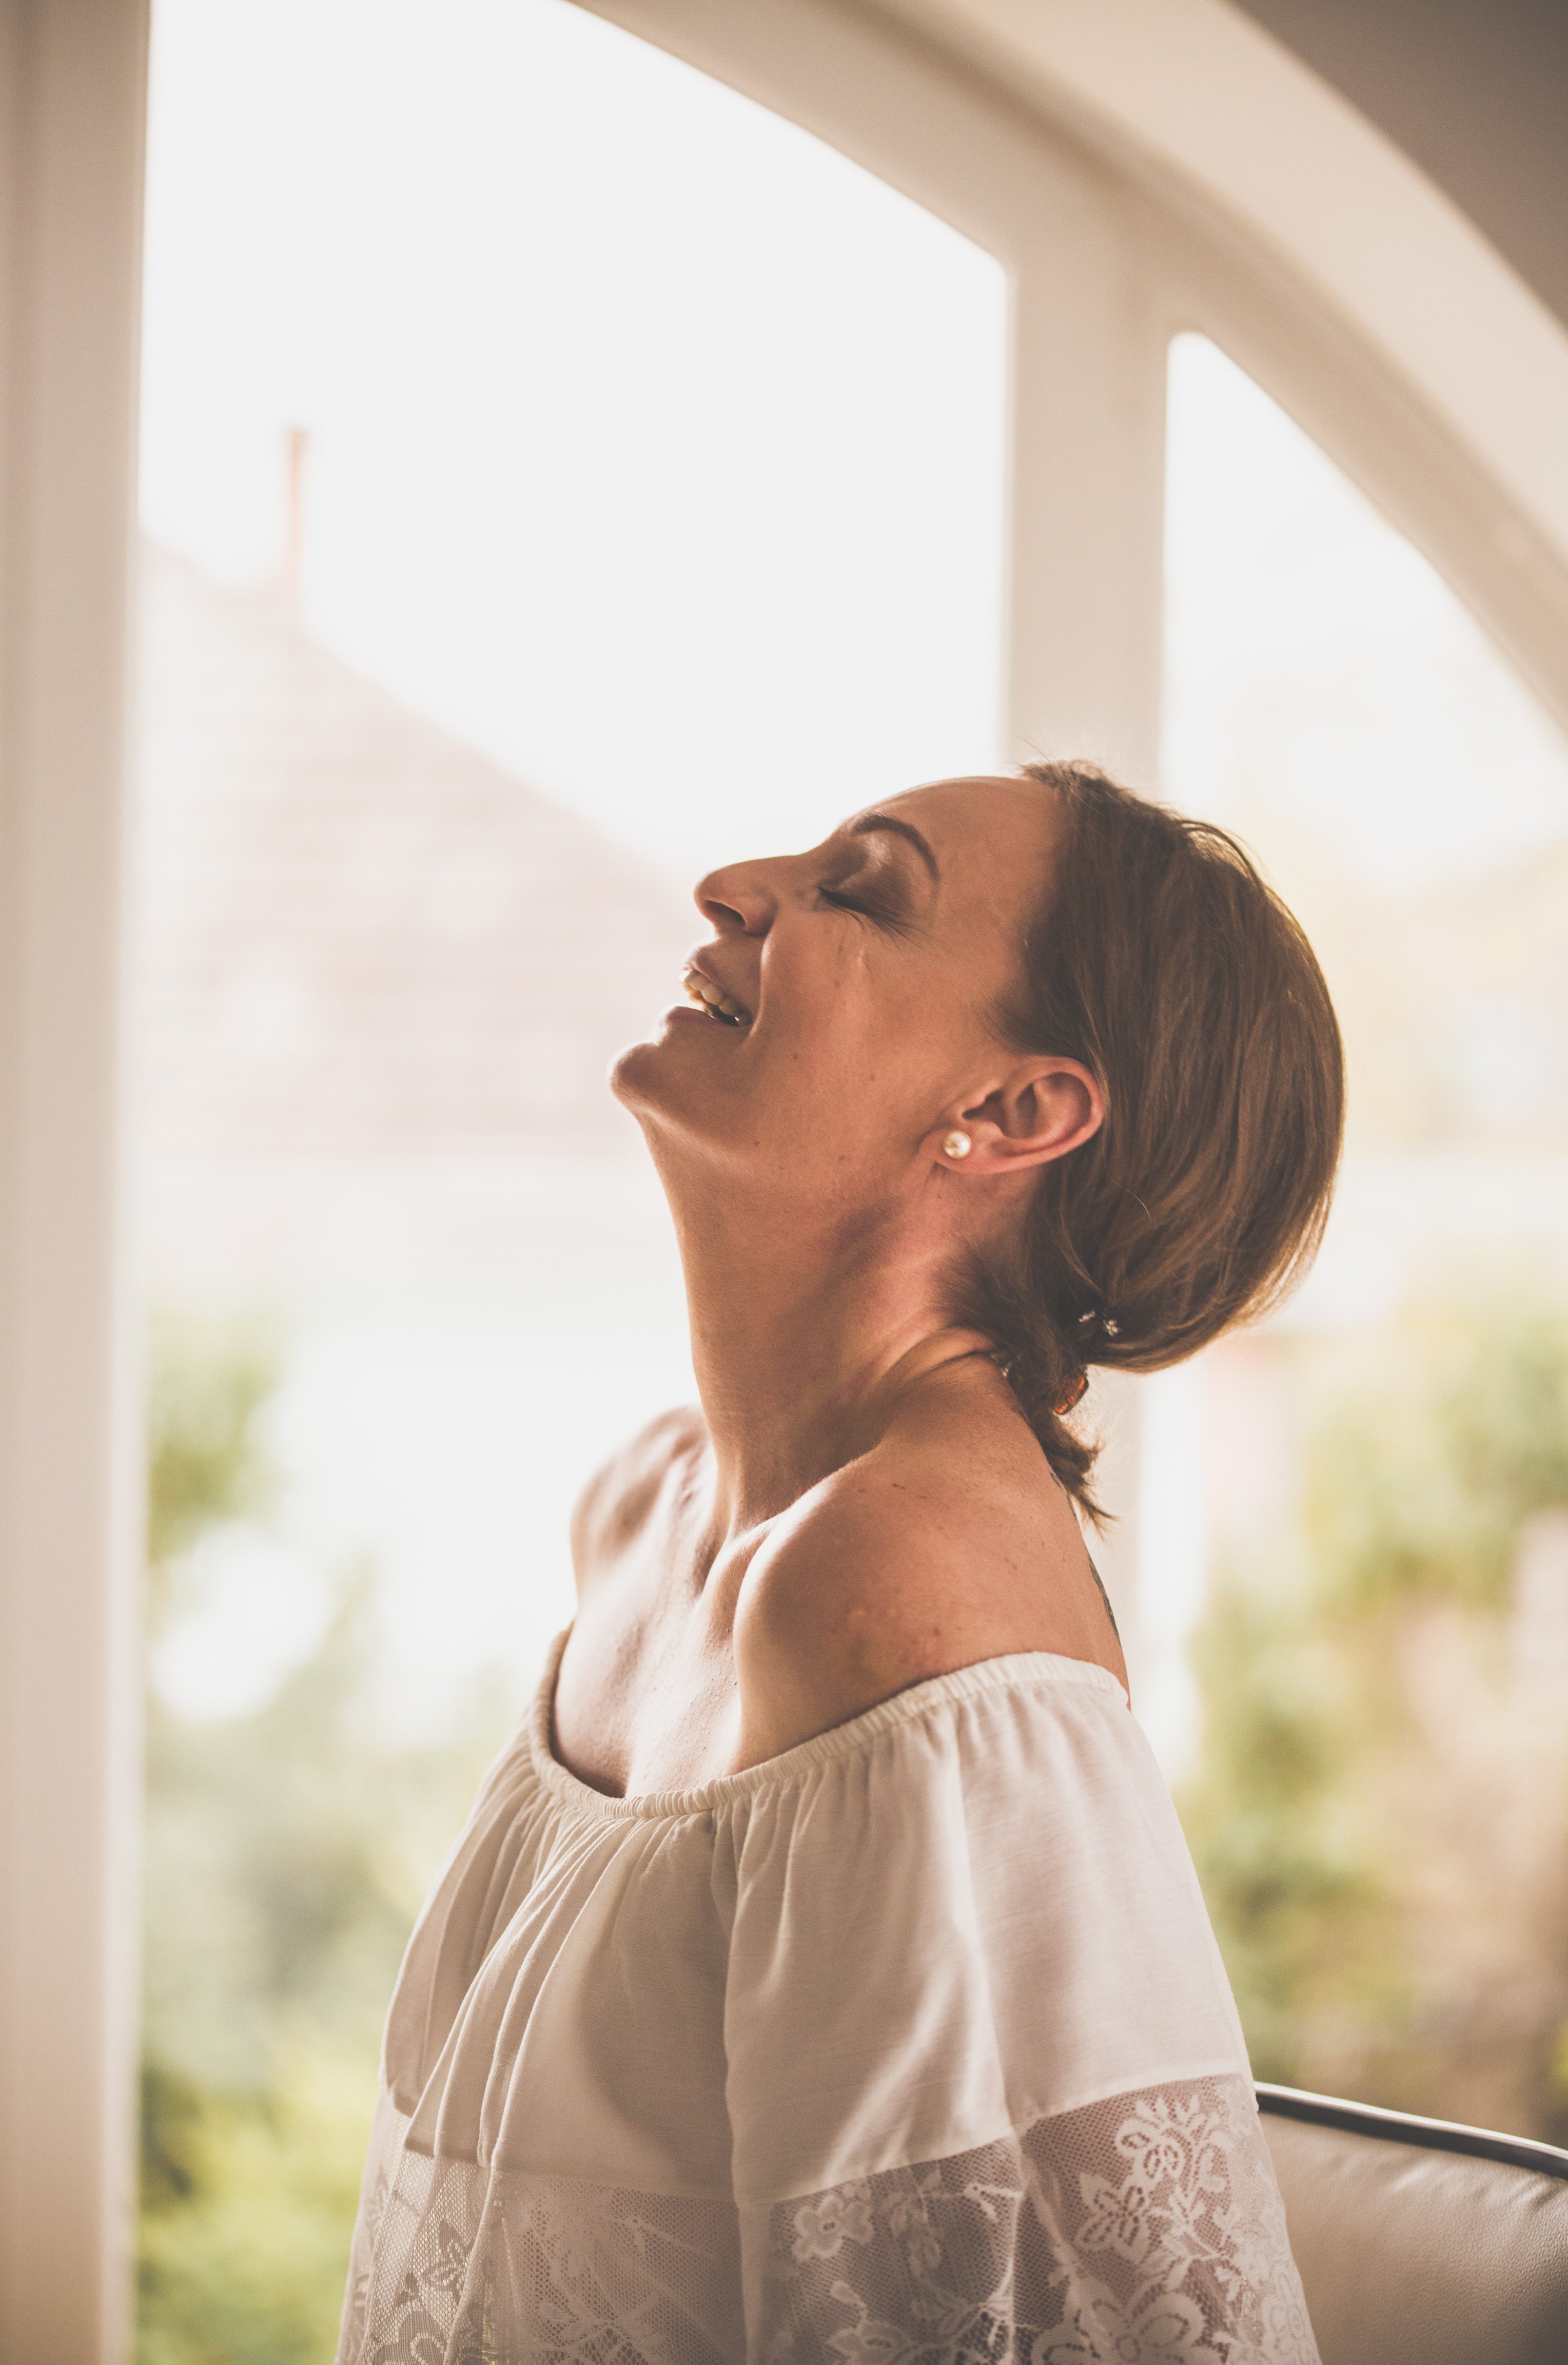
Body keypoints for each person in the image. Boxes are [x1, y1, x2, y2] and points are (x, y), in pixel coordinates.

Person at [338, 763, 1338, 2364]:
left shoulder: (895, 1585)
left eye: (862, 892)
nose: (732, 884)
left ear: (1015, 1112)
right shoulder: (639, 1513)